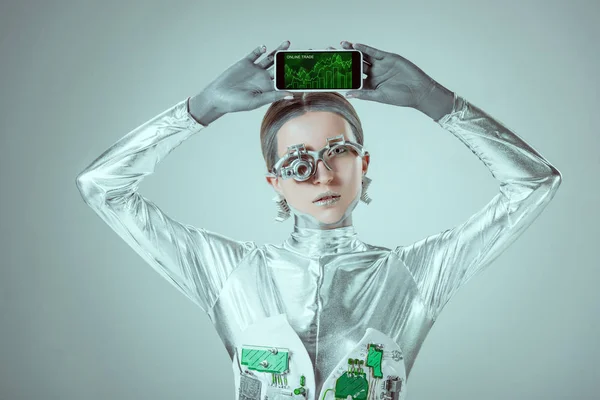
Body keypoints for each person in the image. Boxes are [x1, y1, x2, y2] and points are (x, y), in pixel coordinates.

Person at [76, 40, 562, 400]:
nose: (323, 174)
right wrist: (201, 108)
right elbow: (103, 186)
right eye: (298, 162)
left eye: (339, 151)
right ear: (275, 183)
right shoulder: (231, 273)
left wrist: (432, 98)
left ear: (364, 165)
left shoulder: (410, 276)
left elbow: (535, 184)